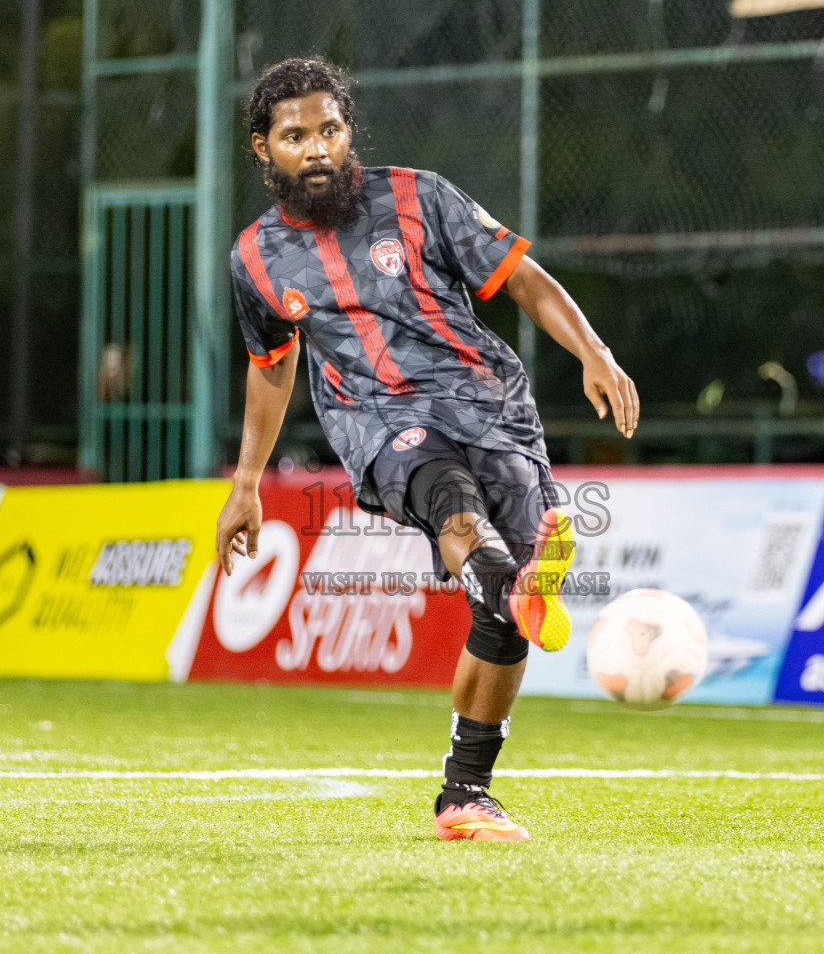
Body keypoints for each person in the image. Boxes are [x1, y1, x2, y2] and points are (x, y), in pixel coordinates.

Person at [214, 57, 639, 842]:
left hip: (492, 407)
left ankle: (464, 795)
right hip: (379, 422)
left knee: (506, 617)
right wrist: (246, 481)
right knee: (450, 500)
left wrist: (594, 351)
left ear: (350, 132)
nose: (317, 149)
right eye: (296, 136)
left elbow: (522, 278)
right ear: (263, 148)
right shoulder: (255, 259)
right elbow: (271, 367)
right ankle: (507, 581)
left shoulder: (419, 197)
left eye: (330, 130)